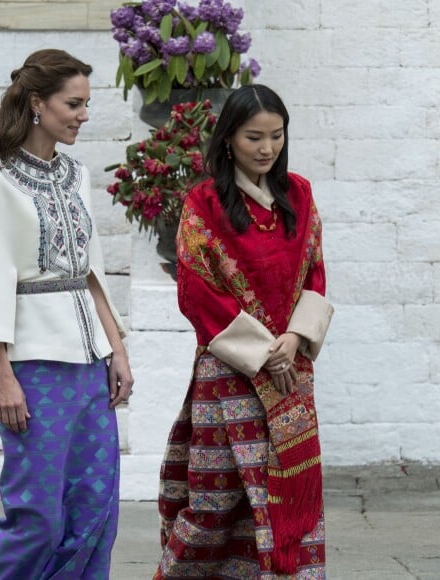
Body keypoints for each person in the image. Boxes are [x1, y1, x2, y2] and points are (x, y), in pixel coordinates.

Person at [0, 49, 134, 579]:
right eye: (73, 103)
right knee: (39, 518)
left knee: (96, 509)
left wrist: (116, 350)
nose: (83, 115)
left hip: (90, 364)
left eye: (86, 104)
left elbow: (91, 272)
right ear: (36, 103)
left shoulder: (77, 174)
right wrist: (2, 377)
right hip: (34, 368)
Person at [155, 85, 334, 578]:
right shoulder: (204, 202)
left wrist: (294, 342)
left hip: (290, 372)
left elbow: (315, 273)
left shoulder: (297, 193)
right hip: (228, 370)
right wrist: (264, 353)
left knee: (286, 500)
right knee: (216, 499)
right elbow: (196, 290)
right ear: (229, 137)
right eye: (254, 136)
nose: (266, 148)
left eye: (276, 136)